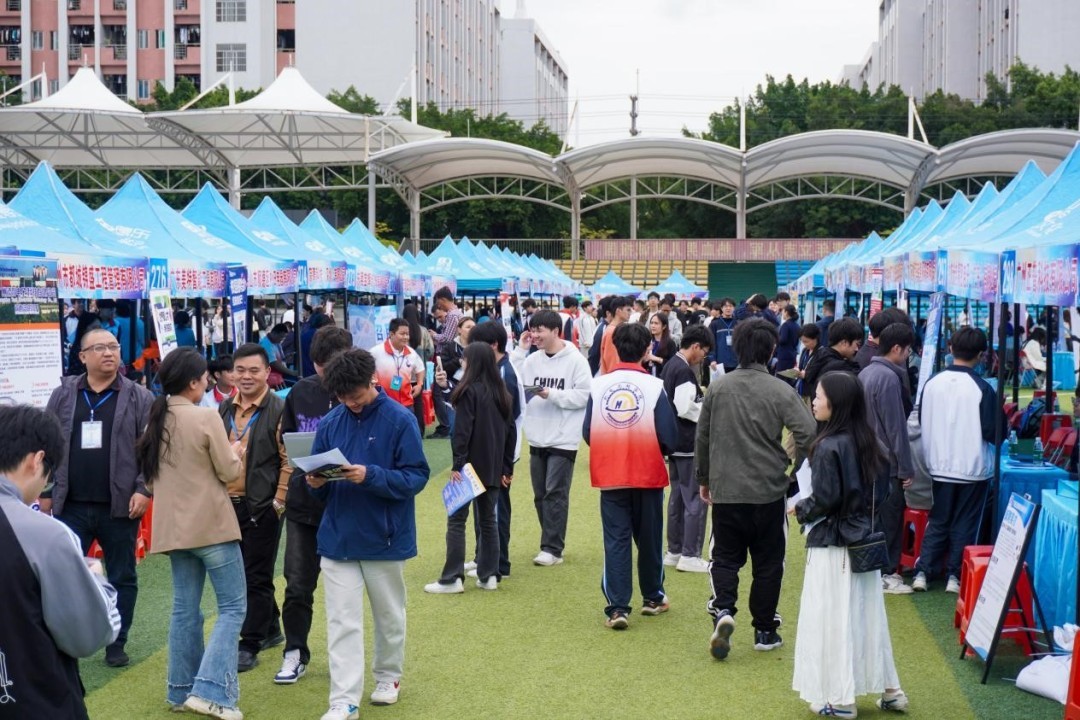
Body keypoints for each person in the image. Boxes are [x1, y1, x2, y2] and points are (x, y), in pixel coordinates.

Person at [306, 349, 430, 718]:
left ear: (371, 381)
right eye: (343, 397)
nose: (351, 403)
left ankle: (388, 677)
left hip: (385, 537)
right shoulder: (331, 422)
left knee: (389, 616)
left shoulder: (400, 419)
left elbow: (416, 476)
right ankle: (343, 700)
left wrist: (370, 475)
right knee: (341, 621)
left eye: (356, 395)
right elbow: (317, 479)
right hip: (338, 538)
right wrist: (315, 482)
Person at [134, 349, 246, 719]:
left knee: (185, 609)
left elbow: (151, 480)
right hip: (212, 526)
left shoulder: (156, 419)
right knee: (232, 608)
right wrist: (236, 451)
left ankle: (182, 690)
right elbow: (229, 472)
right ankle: (211, 691)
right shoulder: (205, 416)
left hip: (174, 531)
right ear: (194, 382)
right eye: (205, 378)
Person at [697, 319, 817, 661]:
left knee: (724, 557)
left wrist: (704, 478)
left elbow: (703, 436)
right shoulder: (780, 389)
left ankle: (723, 609)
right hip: (769, 489)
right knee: (769, 563)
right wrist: (795, 473)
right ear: (772, 349)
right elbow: (808, 433)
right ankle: (765, 629)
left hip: (727, 488)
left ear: (736, 347)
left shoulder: (718, 388)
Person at [792, 372, 909, 716]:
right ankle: (890, 690)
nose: (814, 401)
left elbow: (825, 498)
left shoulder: (828, 445)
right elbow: (882, 492)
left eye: (819, 396)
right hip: (864, 542)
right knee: (868, 616)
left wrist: (800, 507)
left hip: (833, 544)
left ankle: (843, 700)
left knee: (833, 618)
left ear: (837, 402)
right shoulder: (872, 443)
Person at [43, 327, 153, 668]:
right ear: (83, 356)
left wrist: (144, 489)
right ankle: (68, 639)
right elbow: (46, 443)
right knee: (65, 575)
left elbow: (152, 451)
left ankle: (116, 642)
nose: (108, 353)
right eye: (100, 348)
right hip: (70, 504)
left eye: (113, 347)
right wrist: (45, 491)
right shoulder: (64, 394)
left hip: (119, 506)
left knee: (122, 576)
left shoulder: (139, 397)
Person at [0, 404, 120, 719]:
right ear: (37, 460)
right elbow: (88, 636)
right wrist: (96, 579)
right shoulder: (46, 534)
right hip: (35, 700)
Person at [583, 323, 679, 629]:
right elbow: (669, 435)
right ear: (647, 350)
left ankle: (618, 609)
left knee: (616, 541)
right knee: (649, 539)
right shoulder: (654, 385)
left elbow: (588, 431)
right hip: (647, 472)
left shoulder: (599, 386)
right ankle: (653, 597)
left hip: (611, 474)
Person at [274, 327, 354, 686]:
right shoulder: (301, 392)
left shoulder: (362, 394)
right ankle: (294, 650)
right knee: (297, 584)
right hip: (304, 503)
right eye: (321, 368)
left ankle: (346, 658)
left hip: (347, 504)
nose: (327, 376)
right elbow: (289, 439)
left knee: (345, 589)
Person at [914, 328, 1006, 593]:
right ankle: (954, 575)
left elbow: (921, 420)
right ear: (981, 355)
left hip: (938, 464)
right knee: (966, 522)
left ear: (951, 348)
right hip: (973, 467)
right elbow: (995, 431)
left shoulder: (932, 383)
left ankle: (924, 571)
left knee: (939, 519)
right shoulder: (982, 388)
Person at [217, 343, 291, 673]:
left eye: (254, 370)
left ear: (267, 373)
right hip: (226, 504)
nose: (246, 376)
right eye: (240, 370)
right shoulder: (223, 409)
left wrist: (278, 503)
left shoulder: (279, 409)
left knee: (255, 575)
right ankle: (271, 627)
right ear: (231, 373)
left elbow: (288, 460)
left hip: (262, 506)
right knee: (242, 573)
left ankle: (249, 643)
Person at [425, 343, 516, 594]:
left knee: (457, 521)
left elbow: (462, 432)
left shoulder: (469, 391)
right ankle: (489, 575)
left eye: (464, 360)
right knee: (488, 521)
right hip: (494, 466)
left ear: (472, 362)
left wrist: (458, 464)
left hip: (469, 467)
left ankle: (452, 578)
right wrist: (506, 468)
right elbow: (511, 433)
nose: (461, 363)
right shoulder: (503, 394)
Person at [512, 310, 593, 566]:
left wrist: (552, 395)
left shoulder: (576, 360)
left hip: (564, 437)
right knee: (540, 495)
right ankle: (550, 541)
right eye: (532, 330)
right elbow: (513, 383)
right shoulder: (531, 360)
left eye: (539, 330)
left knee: (555, 492)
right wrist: (520, 350)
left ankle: (552, 548)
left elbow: (584, 395)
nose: (534, 335)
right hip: (537, 436)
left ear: (556, 331)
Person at [460, 320, 524, 579]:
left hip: (498, 452)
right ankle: (484, 559)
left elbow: (509, 420)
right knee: (484, 509)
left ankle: (498, 564)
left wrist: (505, 462)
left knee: (495, 509)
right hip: (490, 451)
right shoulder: (495, 370)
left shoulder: (504, 374)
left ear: (493, 345)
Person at [859, 322, 917, 596]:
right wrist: (905, 468)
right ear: (896, 348)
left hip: (868, 458)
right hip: (886, 463)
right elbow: (896, 429)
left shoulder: (866, 373)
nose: (908, 355)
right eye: (907, 350)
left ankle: (876, 571)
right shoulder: (889, 378)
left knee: (874, 519)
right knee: (889, 520)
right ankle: (886, 573)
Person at [660, 325, 714, 574]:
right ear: (695, 346)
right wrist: (706, 413)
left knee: (678, 498)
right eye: (704, 352)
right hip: (688, 443)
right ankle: (690, 554)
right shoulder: (683, 370)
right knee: (695, 499)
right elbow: (684, 407)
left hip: (674, 443)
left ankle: (675, 551)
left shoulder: (670, 365)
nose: (703, 357)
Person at [370, 318, 426, 416]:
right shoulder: (376, 352)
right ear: (391, 334)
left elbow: (420, 368)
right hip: (383, 403)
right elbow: (364, 368)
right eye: (402, 334)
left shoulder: (411, 353)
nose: (406, 337)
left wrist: (419, 384)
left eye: (407, 334)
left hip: (406, 404)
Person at [802, 317, 864, 401]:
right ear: (844, 343)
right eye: (857, 344)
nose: (857, 349)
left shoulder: (820, 356)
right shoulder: (840, 368)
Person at [600, 296, 632, 375]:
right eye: (628, 310)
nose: (630, 313)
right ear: (618, 311)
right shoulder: (612, 332)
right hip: (614, 376)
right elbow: (612, 361)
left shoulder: (616, 329)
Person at [429, 286, 463, 355]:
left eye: (438, 303)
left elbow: (447, 339)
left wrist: (434, 335)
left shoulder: (452, 315)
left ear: (443, 300)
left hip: (448, 355)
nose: (439, 306)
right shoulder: (456, 313)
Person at [708, 298, 738, 375]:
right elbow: (711, 343)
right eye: (726, 306)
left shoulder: (738, 324)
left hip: (736, 363)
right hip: (719, 363)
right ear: (721, 308)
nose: (728, 308)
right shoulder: (714, 324)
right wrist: (712, 359)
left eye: (730, 306)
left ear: (734, 308)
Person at [300, 312, 335, 378]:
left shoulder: (305, 334)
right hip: (315, 371)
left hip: (305, 369)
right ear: (324, 324)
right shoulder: (320, 335)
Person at [644, 311, 678, 376]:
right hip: (647, 375)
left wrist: (657, 359)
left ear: (664, 326)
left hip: (662, 376)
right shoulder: (647, 341)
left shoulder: (670, 343)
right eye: (651, 323)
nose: (653, 326)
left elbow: (673, 364)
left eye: (656, 323)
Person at [588, 296, 613, 376]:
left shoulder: (605, 326)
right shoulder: (603, 329)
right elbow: (594, 354)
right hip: (600, 374)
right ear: (608, 313)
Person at [775, 305, 801, 379]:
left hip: (784, 355)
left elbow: (783, 340)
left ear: (786, 312)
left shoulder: (785, 325)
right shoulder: (797, 326)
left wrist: (775, 339)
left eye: (783, 312)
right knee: (789, 377)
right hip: (792, 354)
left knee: (781, 378)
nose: (782, 314)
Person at [796, 323, 821, 401]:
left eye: (806, 341)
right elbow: (801, 367)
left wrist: (806, 375)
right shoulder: (805, 350)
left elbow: (817, 373)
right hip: (802, 388)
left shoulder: (821, 353)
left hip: (812, 391)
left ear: (815, 338)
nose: (804, 344)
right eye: (802, 341)